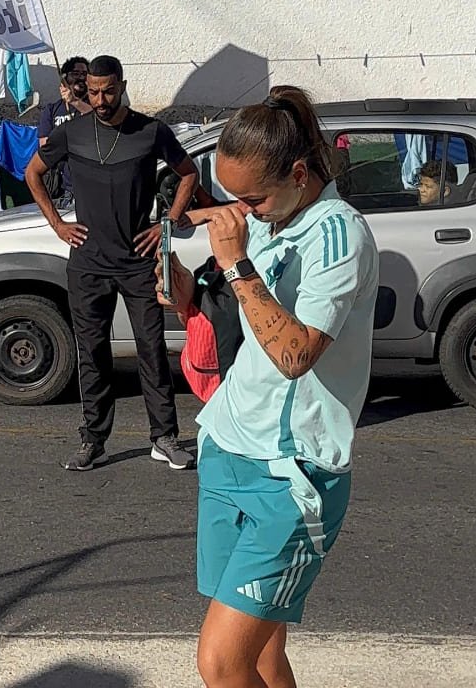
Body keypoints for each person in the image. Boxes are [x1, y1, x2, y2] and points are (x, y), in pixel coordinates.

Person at [160, 85, 378, 688]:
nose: (241, 211)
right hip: (229, 447)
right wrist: (183, 286)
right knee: (260, 657)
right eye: (233, 198)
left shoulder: (339, 235)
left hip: (293, 473)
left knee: (221, 663)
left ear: (300, 173)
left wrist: (235, 263)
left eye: (252, 198)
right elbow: (234, 320)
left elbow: (294, 353)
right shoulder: (266, 221)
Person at [24, 54, 200, 472]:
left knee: (151, 349)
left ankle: (164, 437)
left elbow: (189, 174)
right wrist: (58, 226)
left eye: (108, 91)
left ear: (122, 85)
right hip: (87, 264)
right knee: (92, 353)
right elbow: (32, 174)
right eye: (93, 92)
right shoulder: (73, 134)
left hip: (139, 262)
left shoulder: (150, 131)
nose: (100, 100)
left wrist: (168, 225)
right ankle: (94, 439)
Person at [37, 56, 91, 204]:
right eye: (75, 74)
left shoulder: (95, 107)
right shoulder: (52, 110)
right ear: (64, 79)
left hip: (90, 188)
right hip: (60, 188)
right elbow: (45, 146)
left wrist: (75, 101)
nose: (81, 78)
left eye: (84, 74)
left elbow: (99, 122)